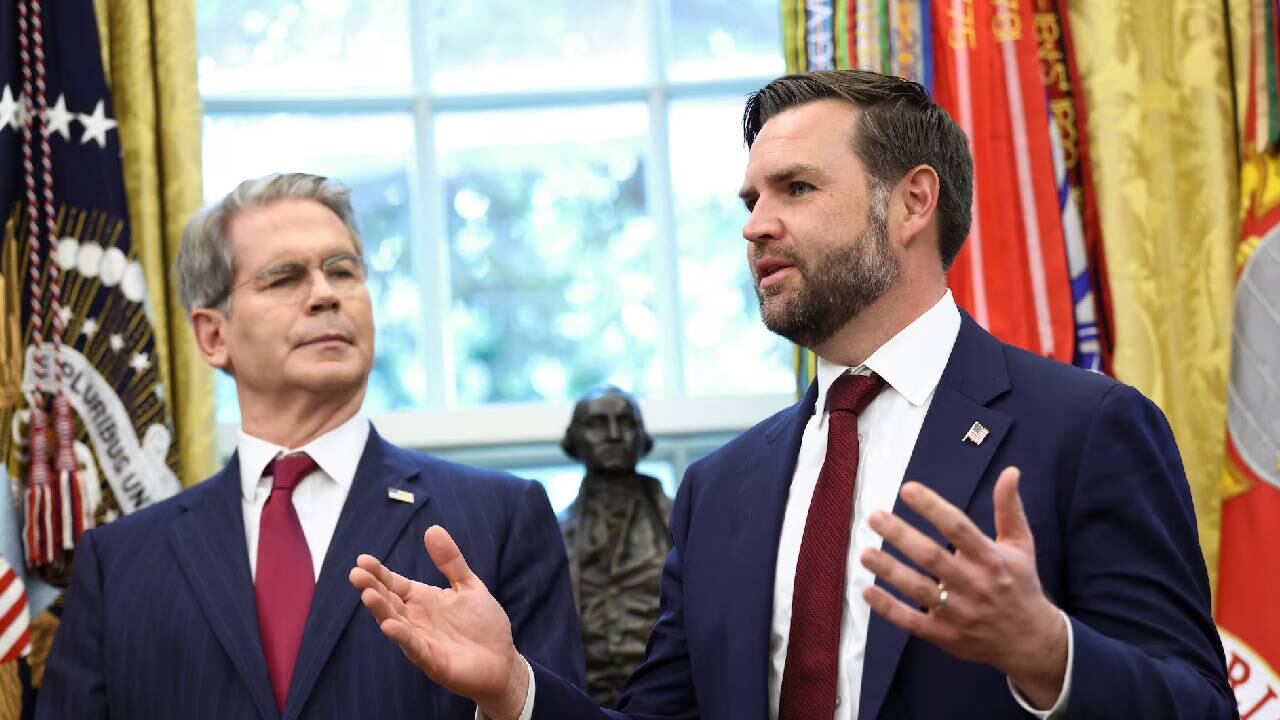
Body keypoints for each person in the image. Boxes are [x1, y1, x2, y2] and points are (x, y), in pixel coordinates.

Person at [348, 70, 1235, 720]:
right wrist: (516, 689)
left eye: (797, 189)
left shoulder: (1085, 429)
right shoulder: (721, 487)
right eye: (750, 198)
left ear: (912, 203)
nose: (755, 224)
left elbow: (1198, 704)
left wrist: (1049, 653)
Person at [36, 173, 586, 720]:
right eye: (284, 278)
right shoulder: (118, 564)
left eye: (342, 271)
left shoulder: (501, 518)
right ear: (213, 335)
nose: (325, 294)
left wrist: (511, 695)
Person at [558, 386, 672, 707]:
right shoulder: (552, 532)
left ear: (642, 436)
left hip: (669, 702)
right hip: (583, 702)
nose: (613, 435)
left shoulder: (682, 522)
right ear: (574, 439)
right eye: (597, 424)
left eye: (625, 422)